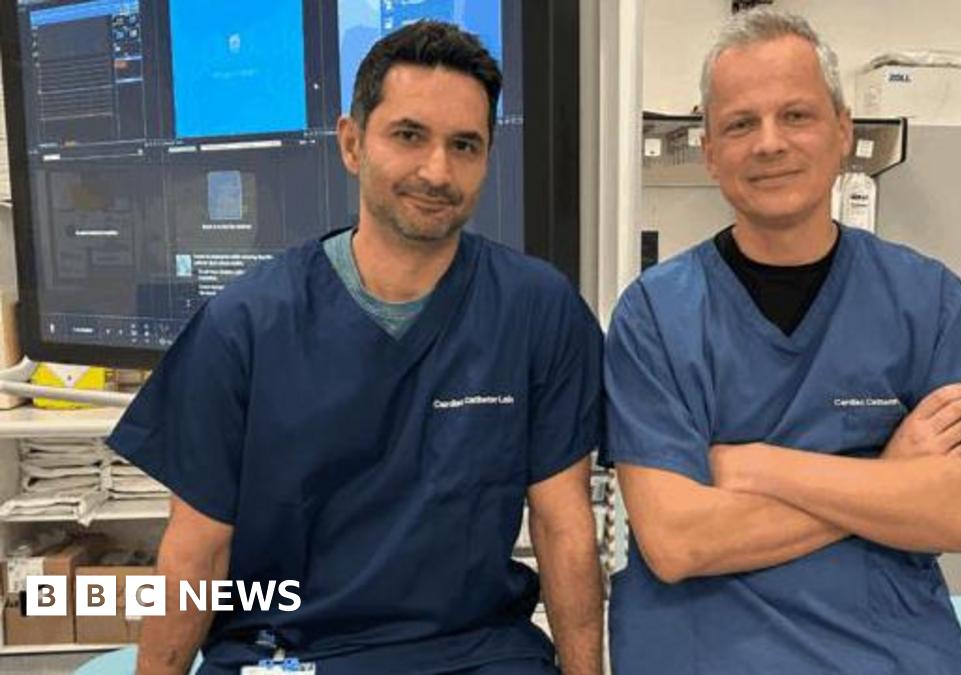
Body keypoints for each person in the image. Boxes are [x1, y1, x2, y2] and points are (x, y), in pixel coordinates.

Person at [108, 21, 604, 675]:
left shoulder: (538, 309)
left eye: (465, 145)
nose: (437, 170)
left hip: (475, 651)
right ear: (351, 143)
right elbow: (197, 551)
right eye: (408, 135)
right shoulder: (245, 324)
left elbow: (564, 526)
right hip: (288, 651)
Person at [602, 8, 961, 674]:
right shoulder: (656, 315)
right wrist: (891, 479)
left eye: (796, 115)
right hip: (707, 648)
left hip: (888, 646)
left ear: (843, 131)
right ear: (709, 151)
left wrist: (758, 465)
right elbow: (677, 539)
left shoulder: (927, 301)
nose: (769, 143)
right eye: (740, 123)